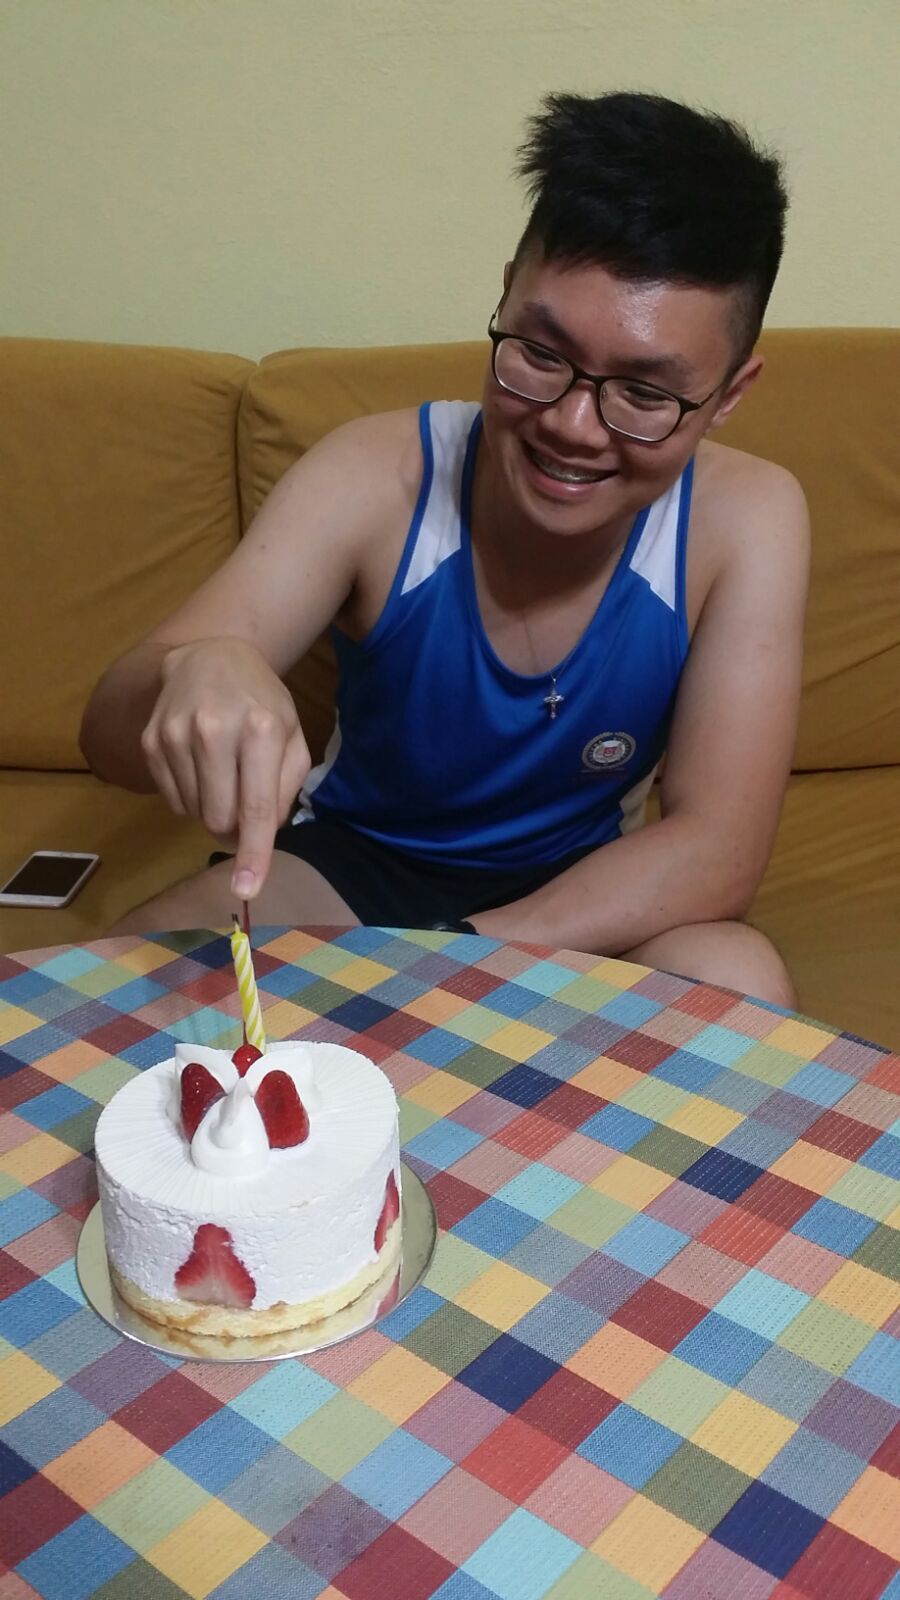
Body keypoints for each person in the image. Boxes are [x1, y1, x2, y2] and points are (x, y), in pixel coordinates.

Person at [80, 90, 809, 1006]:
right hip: (353, 869)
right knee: (113, 994)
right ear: (505, 296)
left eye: (645, 394)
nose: (572, 425)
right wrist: (192, 668)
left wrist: (455, 960)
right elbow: (107, 738)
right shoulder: (373, 471)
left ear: (730, 394)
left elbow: (718, 849)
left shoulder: (747, 519)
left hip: (583, 890)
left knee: (736, 975)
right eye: (540, 353)